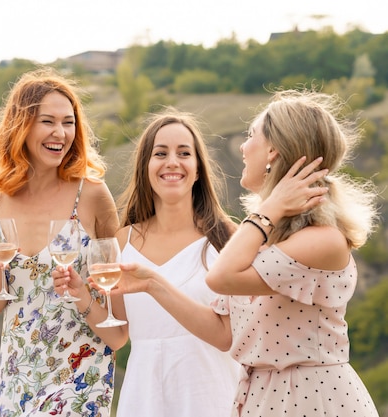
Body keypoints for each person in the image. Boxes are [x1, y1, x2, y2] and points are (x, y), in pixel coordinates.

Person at [116, 89, 380, 416]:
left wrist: (268, 208)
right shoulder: (263, 237)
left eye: (251, 135)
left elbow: (221, 277)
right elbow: (225, 334)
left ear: (273, 152)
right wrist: (152, 283)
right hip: (262, 399)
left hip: (312, 401)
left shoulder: (321, 240)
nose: (242, 146)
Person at [0, 67, 120, 416]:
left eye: (68, 122)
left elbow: (117, 311)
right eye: (48, 121)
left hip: (82, 373)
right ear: (21, 127)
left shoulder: (93, 195)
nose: (61, 133)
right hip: (18, 372)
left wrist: (82, 291)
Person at [109, 109, 241, 416]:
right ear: (145, 167)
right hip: (144, 401)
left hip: (212, 400)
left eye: (184, 153)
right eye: (160, 153)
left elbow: (233, 336)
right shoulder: (121, 242)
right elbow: (117, 334)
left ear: (197, 170)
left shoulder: (227, 239)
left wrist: (155, 285)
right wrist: (80, 294)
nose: (172, 161)